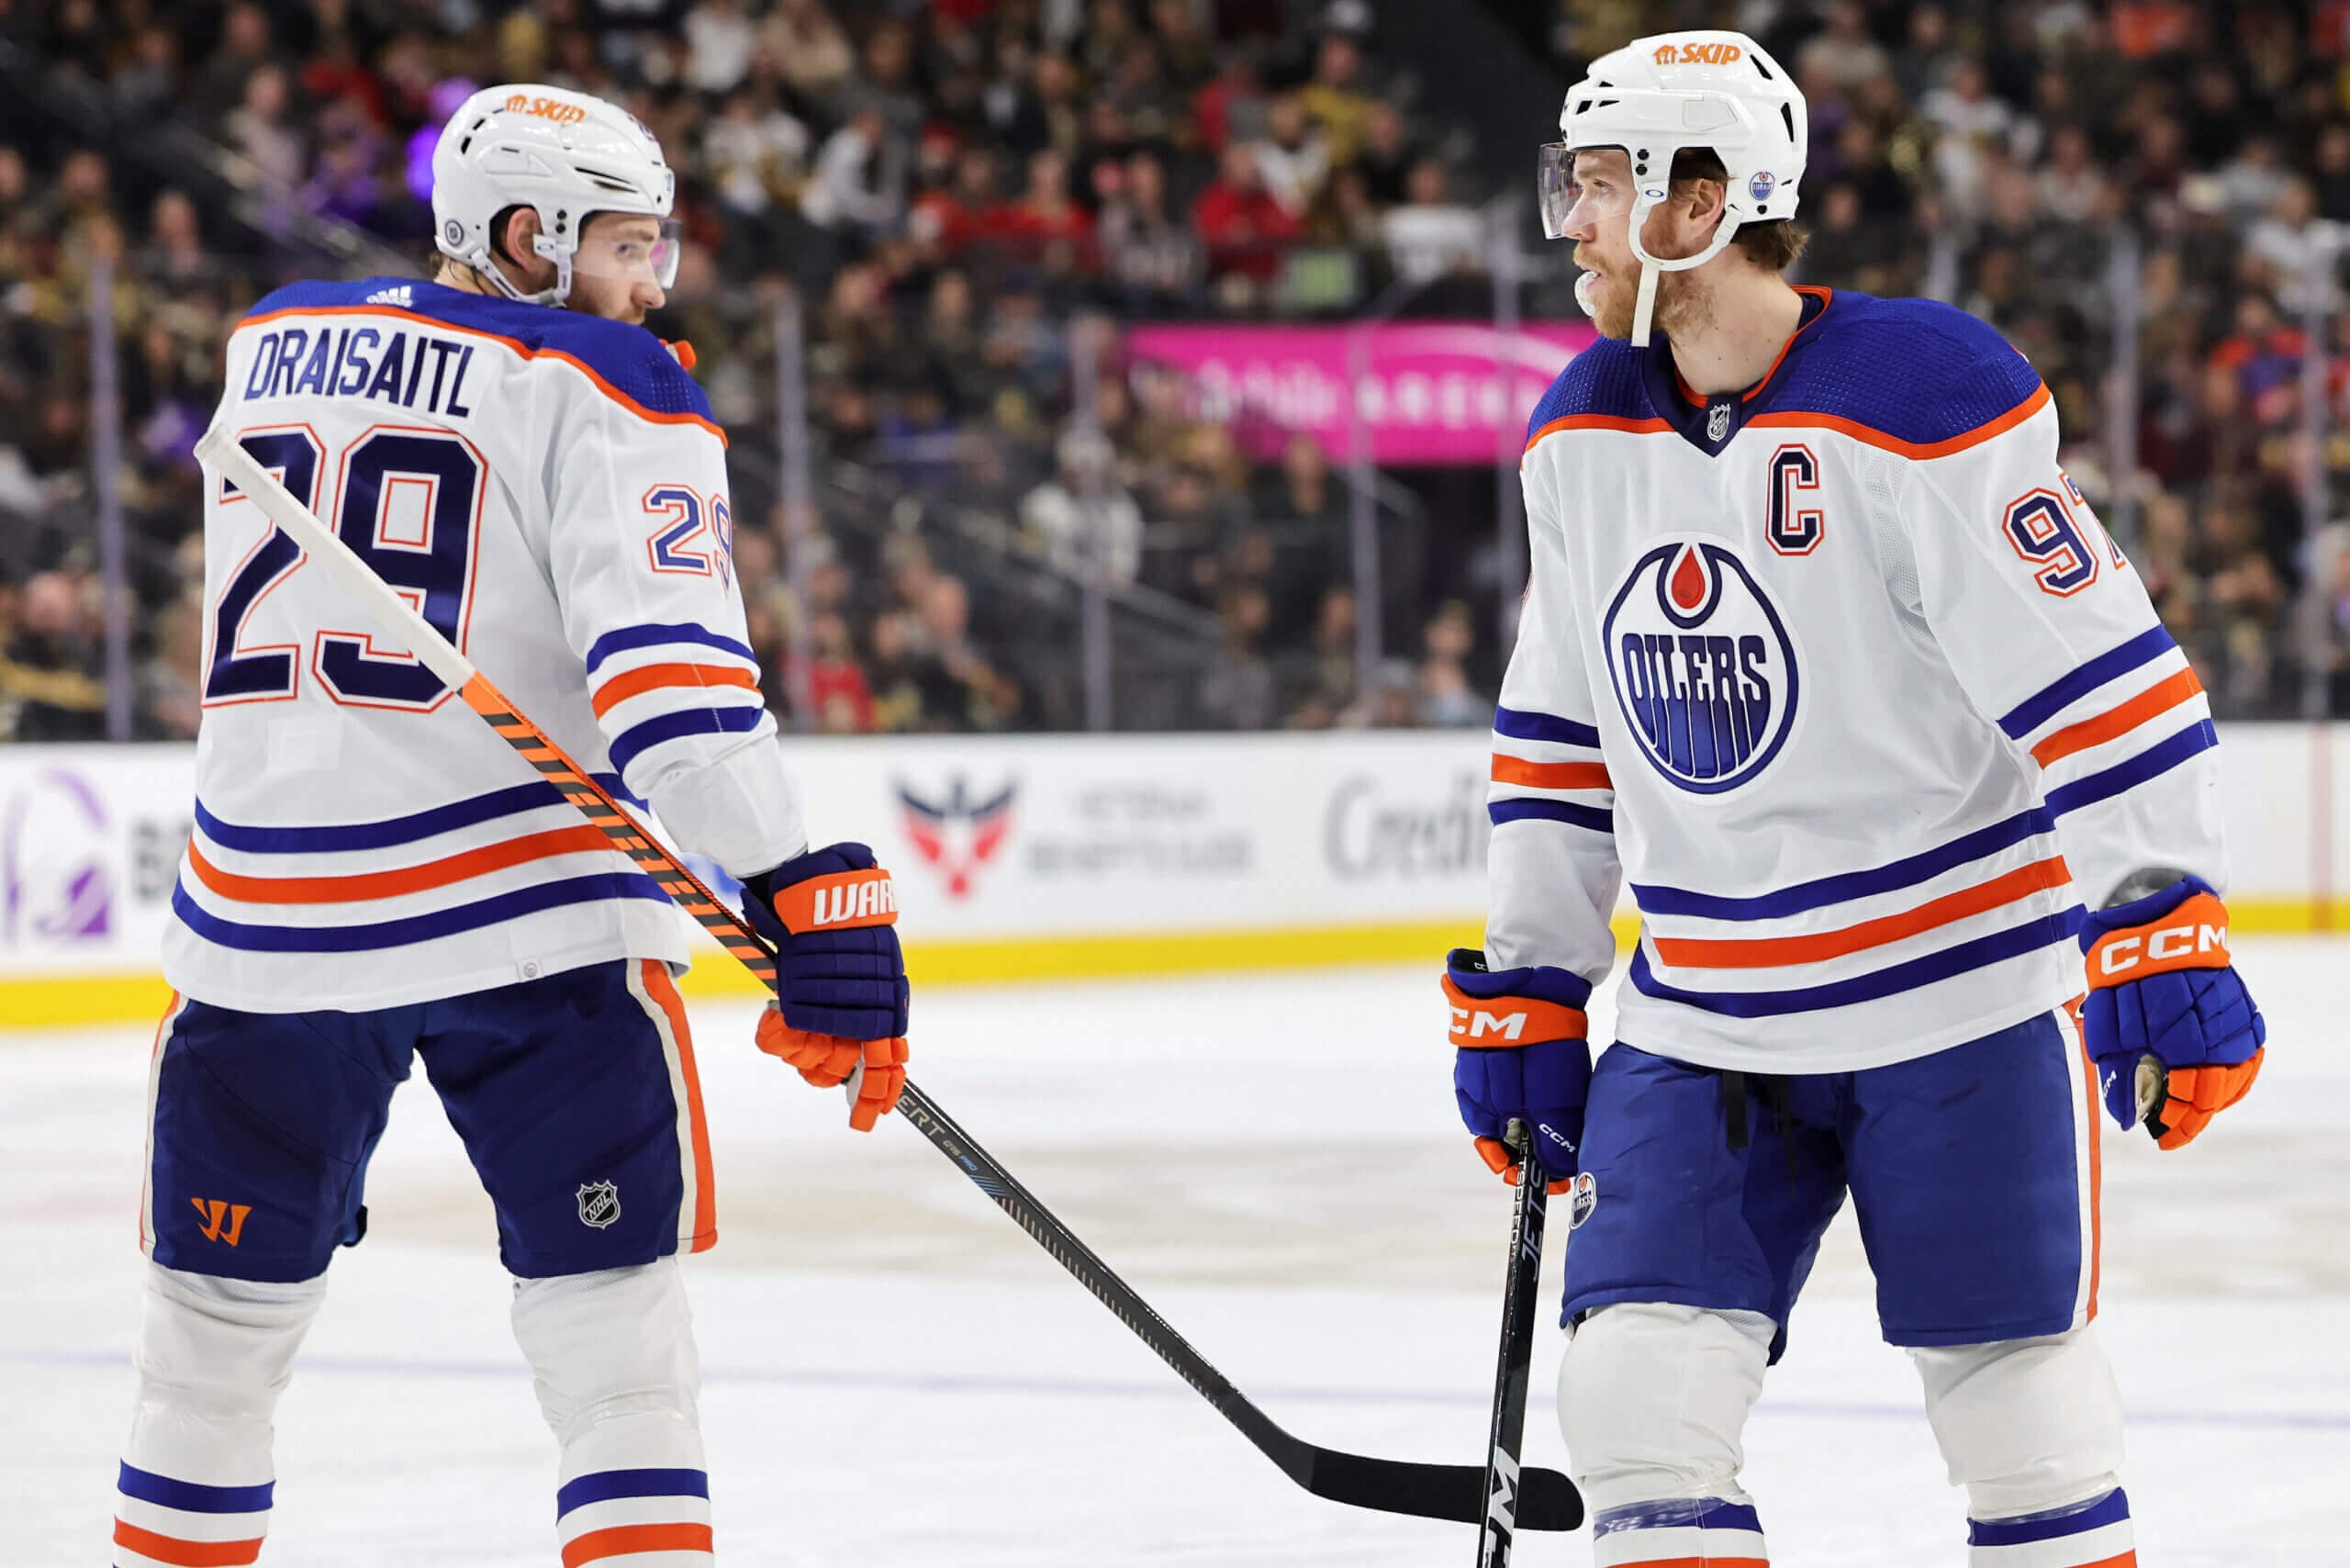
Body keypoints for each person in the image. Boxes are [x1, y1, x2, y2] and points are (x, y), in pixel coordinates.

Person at [1446, 32, 2266, 1568]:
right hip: (1705, 1016)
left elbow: (2102, 677)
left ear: (1703, 200)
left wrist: (2159, 911)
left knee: (2023, 1426)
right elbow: (1559, 727)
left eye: (1603, 184)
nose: (1573, 224)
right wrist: (1533, 979)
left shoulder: (1921, 394)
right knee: (1632, 1408)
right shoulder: (1581, 425)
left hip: (1956, 1001)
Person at [115, 84, 912, 1567]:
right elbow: (678, 703)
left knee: (205, 1363)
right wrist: (805, 885)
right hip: (533, 925)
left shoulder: (264, 344)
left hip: (261, 931)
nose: (654, 284)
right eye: (629, 244)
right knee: (619, 1362)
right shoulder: (603, 378)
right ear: (531, 237)